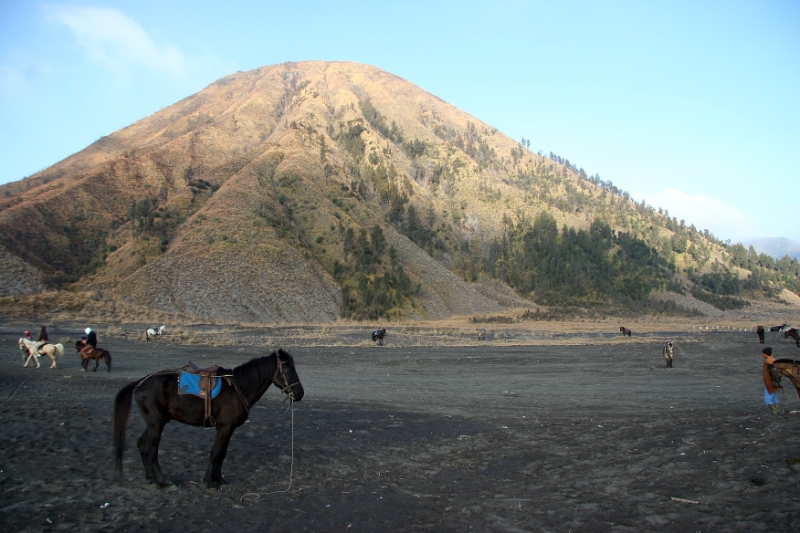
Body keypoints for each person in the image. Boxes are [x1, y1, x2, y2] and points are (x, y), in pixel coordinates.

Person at [762, 347, 781, 414]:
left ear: (765, 354)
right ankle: (778, 410)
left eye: (763, 353)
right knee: (774, 398)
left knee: (768, 399)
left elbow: (774, 374)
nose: (762, 354)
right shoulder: (771, 360)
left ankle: (776, 411)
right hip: (773, 383)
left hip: (770, 383)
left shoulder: (769, 362)